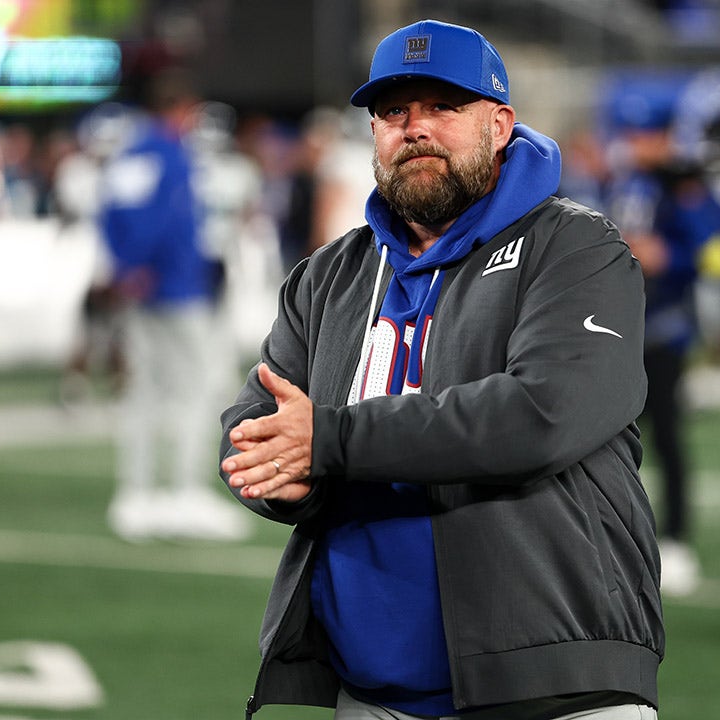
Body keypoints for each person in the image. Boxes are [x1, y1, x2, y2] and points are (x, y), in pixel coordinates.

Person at [219, 19, 662, 720]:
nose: (415, 127)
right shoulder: (331, 276)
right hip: (369, 694)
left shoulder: (576, 248)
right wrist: (283, 476)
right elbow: (253, 426)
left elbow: (544, 415)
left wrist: (329, 443)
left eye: (444, 107)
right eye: (393, 111)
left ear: (500, 124)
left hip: (549, 687)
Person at [96, 75, 251, 543]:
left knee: (144, 390)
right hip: (176, 288)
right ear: (178, 107)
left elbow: (107, 214)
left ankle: (137, 494)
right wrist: (142, 265)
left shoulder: (129, 152)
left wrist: (126, 267)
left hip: (144, 287)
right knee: (194, 389)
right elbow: (163, 218)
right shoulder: (170, 154)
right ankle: (184, 492)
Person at [605, 94, 716, 597]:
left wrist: (672, 255)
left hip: (665, 325)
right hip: (618, 326)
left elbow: (714, 252)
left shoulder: (683, 184)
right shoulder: (621, 180)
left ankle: (676, 538)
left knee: (667, 436)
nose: (636, 145)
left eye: (645, 135)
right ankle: (614, 539)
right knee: (612, 440)